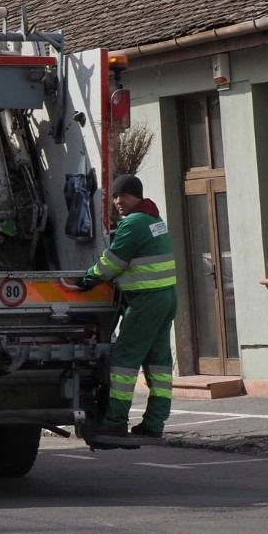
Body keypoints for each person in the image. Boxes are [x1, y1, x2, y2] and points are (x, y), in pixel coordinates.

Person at [75, 173, 178, 442]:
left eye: (124, 195)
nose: (118, 201)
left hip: (145, 302)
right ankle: (154, 424)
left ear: (137, 196)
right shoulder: (155, 220)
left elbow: (111, 263)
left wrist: (86, 280)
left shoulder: (133, 224)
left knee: (123, 361)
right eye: (116, 196)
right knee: (159, 364)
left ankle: (115, 422)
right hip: (165, 299)